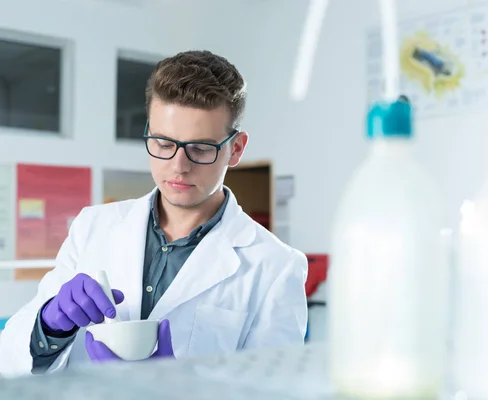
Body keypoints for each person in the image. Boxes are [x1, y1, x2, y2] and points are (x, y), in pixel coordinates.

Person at [0, 50, 308, 377]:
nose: (178, 166)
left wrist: (174, 390)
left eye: (200, 148)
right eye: (163, 143)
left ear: (236, 148)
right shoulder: (93, 226)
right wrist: (49, 326)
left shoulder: (276, 267)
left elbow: (276, 390)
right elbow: (9, 360)